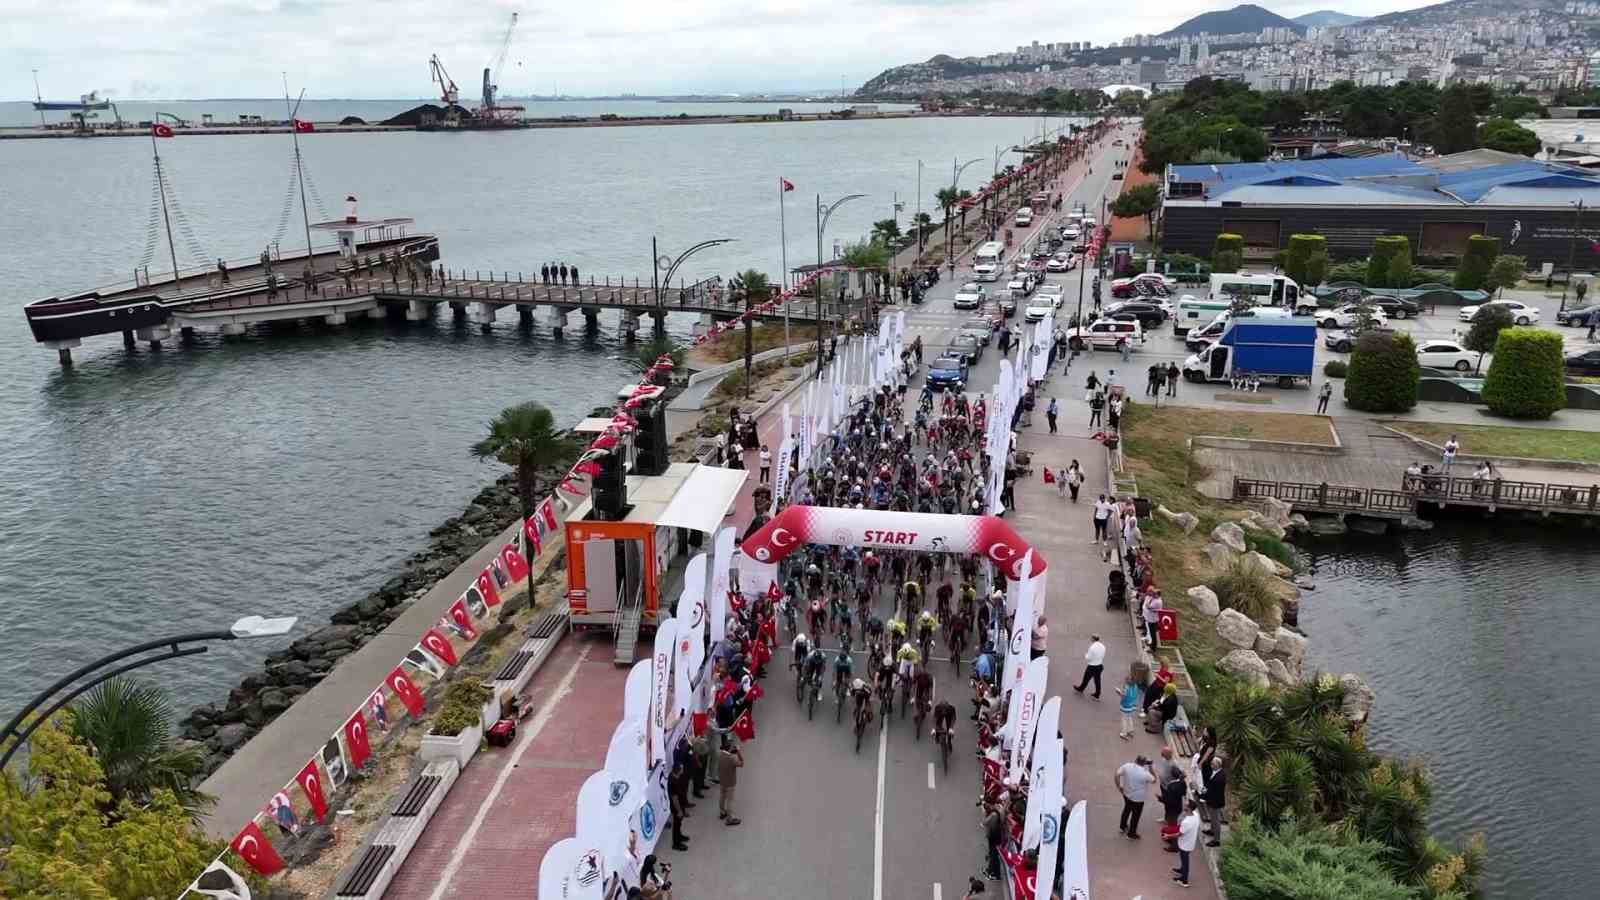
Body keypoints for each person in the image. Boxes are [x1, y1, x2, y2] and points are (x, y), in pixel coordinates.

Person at [1115, 755, 1156, 839]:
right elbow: (1154, 780)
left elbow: (1117, 774)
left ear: (1136, 760)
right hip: (1138, 799)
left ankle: (1122, 827)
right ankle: (1131, 834)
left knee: (1126, 809)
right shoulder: (1145, 773)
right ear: (1144, 763)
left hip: (1126, 794)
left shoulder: (1127, 766)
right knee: (1135, 816)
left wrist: (1119, 786)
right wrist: (1151, 767)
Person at [1173, 799, 1201, 887]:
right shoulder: (1196, 815)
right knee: (1184, 860)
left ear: (1188, 808)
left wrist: (1167, 836)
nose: (1184, 805)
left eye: (1186, 805)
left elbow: (1179, 834)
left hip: (1184, 845)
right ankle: (1182, 870)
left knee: (1185, 862)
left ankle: (1184, 880)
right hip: (1190, 843)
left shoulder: (1186, 822)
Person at [1201, 752, 1227, 845]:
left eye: (1213, 764)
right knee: (1212, 818)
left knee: (1216, 821)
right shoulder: (1217, 772)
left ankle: (1216, 840)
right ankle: (1212, 831)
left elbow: (1214, 791)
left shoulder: (1220, 777)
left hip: (1215, 802)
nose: (1211, 765)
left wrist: (1204, 795)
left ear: (1217, 765)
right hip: (1212, 800)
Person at [1073, 634, 1106, 699]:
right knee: (1097, 680)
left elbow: (1088, 658)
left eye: (1091, 638)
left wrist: (1085, 655)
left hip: (1092, 666)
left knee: (1086, 678)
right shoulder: (1103, 646)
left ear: (1093, 639)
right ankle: (1097, 694)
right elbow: (1103, 655)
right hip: (1100, 665)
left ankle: (1081, 689)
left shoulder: (1092, 647)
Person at [1118, 673, 1139, 739]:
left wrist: (1118, 692)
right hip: (1132, 705)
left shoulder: (1126, 687)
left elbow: (1123, 696)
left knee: (1124, 719)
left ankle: (1124, 733)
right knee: (1129, 717)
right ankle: (1130, 730)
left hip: (1125, 705)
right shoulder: (1135, 686)